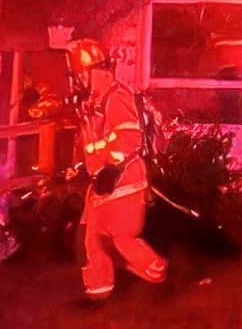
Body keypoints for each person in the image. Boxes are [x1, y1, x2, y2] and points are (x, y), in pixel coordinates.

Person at [63, 37, 167, 302]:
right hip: (103, 183)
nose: (77, 81)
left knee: (121, 238)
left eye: (79, 74)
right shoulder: (94, 103)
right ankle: (98, 294)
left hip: (124, 181)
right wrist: (82, 168)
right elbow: (91, 144)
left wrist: (111, 166)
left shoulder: (116, 97)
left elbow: (129, 138)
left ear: (92, 72)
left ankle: (161, 277)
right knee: (93, 241)